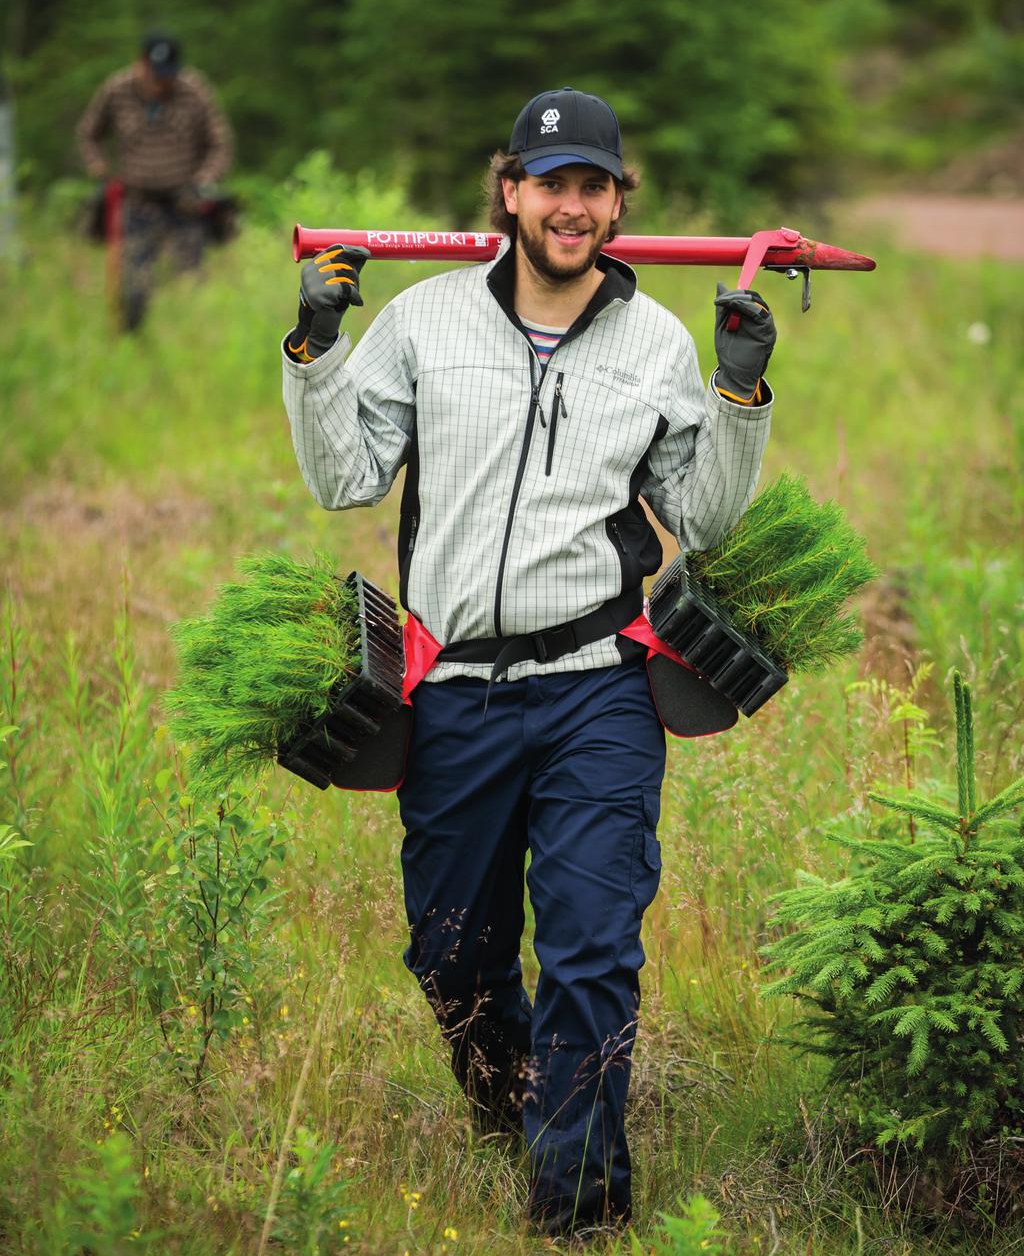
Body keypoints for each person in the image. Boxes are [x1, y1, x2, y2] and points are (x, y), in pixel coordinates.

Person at [282, 87, 776, 1239]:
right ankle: (516, 1111)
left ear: (616, 203)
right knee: (451, 955)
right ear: (510, 191)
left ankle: (580, 1209)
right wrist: (315, 353)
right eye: (550, 183)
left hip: (598, 682)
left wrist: (739, 391)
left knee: (593, 948)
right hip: (453, 686)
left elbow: (699, 519)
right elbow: (346, 477)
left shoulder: (654, 344)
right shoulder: (424, 320)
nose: (571, 204)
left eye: (593, 185)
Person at [77, 31, 233, 331]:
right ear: (140, 65)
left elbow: (220, 143)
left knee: (191, 283)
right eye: (155, 73)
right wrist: (96, 165)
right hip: (137, 202)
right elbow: (88, 133)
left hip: (185, 202)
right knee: (133, 284)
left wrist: (206, 178)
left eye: (168, 74)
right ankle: (131, 341)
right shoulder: (116, 89)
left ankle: (192, 343)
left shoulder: (194, 89)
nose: (162, 81)